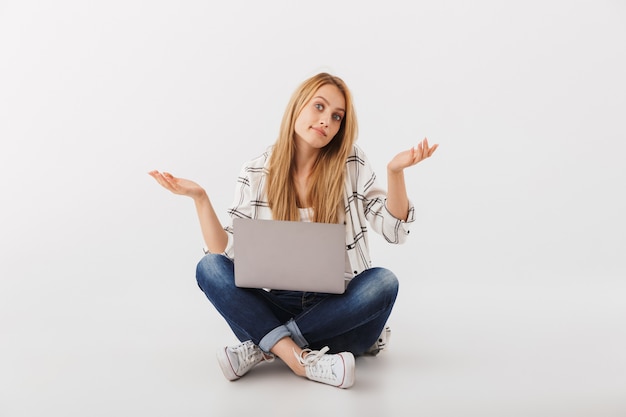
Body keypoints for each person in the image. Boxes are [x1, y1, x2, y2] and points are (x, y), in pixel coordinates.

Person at [148, 72, 438, 389]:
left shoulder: (351, 163)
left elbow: (394, 230)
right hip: (274, 303)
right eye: (319, 106)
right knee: (209, 268)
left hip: (338, 311)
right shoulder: (257, 169)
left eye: (336, 116)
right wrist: (200, 199)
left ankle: (267, 347)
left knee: (383, 282)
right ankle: (302, 361)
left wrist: (394, 172)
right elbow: (225, 252)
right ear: (298, 106)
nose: (326, 120)